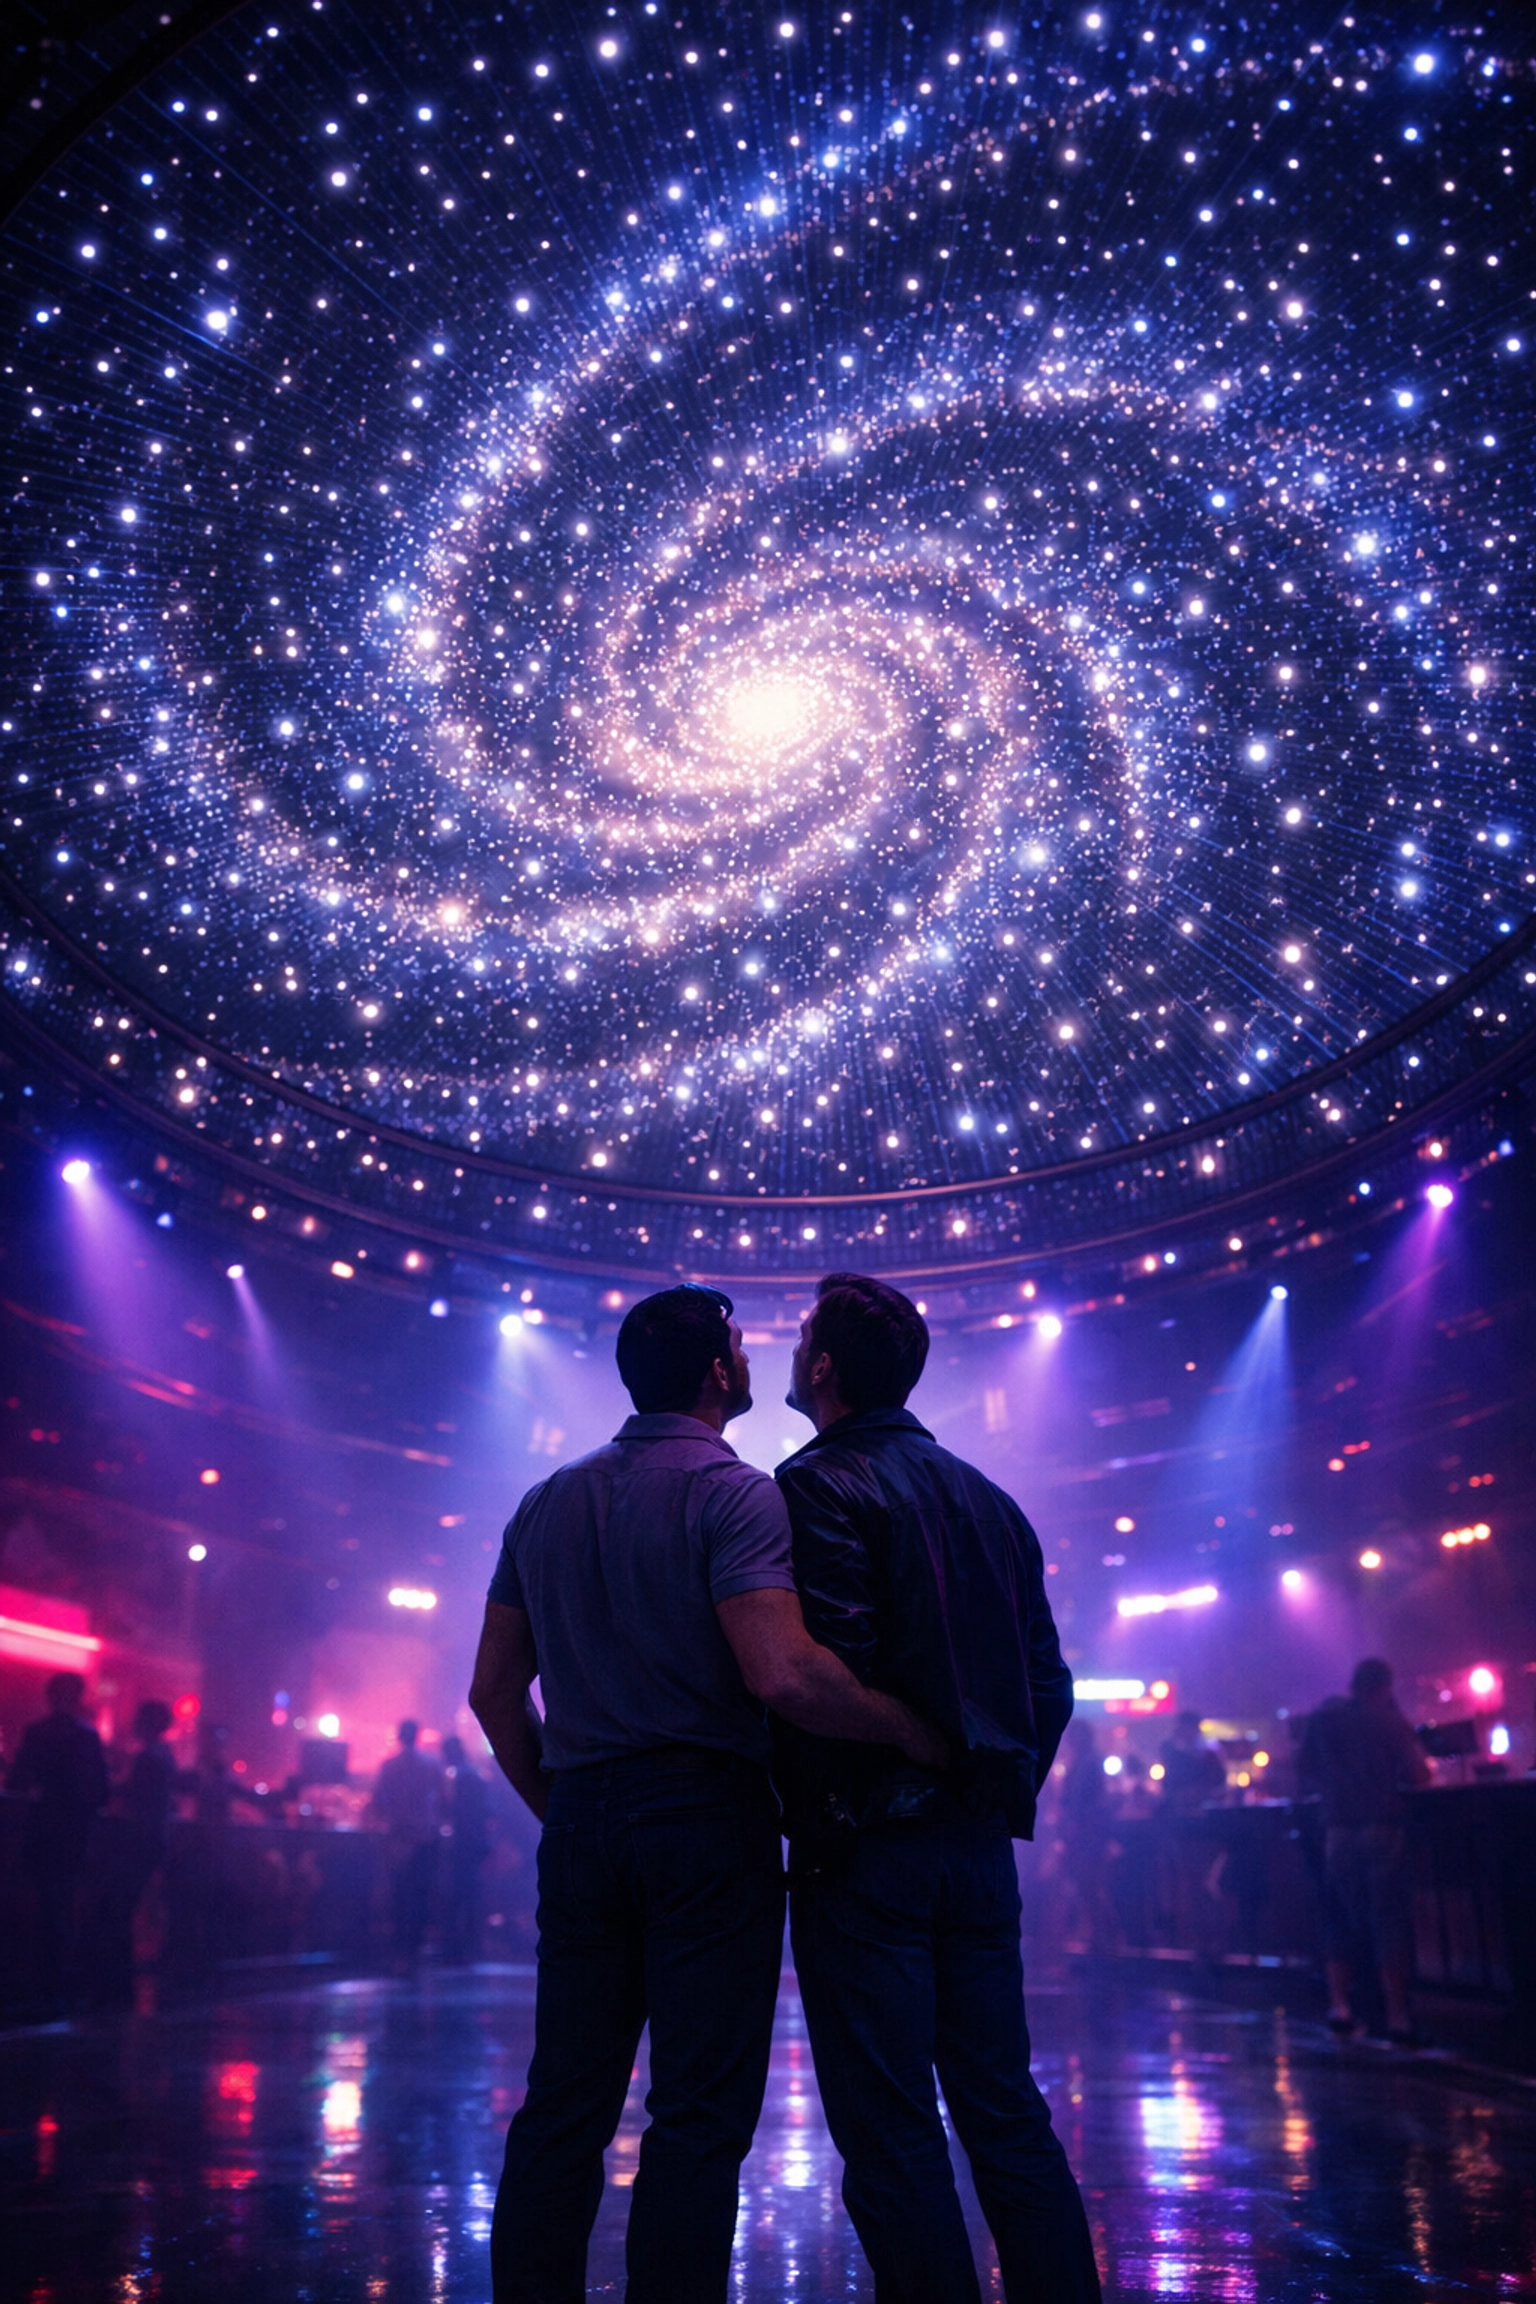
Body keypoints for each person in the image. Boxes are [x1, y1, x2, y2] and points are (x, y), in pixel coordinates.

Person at [468, 1283, 945, 2304]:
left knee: (563, 2101)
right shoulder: (737, 1495)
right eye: (736, 1345)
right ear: (721, 1374)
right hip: (705, 1816)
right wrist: (908, 1725)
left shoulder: (545, 1501)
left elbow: (493, 1691)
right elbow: (782, 1674)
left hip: (586, 1810)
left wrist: (562, 1803)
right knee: (695, 2111)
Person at [775, 1272, 1101, 2304]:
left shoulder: (816, 1485)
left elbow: (829, 1672)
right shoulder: (991, 1501)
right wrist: (992, 1779)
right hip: (976, 1850)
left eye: (799, 1341)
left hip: (867, 1851)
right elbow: (1051, 1680)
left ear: (823, 1369)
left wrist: (896, 1759)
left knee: (892, 2127)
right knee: (1005, 2109)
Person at [1299, 1656, 1432, 2041]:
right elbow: (1419, 1773)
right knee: (1388, 1917)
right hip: (1381, 1826)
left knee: (1338, 1917)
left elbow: (1303, 1765)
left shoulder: (1323, 1721)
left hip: (1336, 1830)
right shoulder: (1389, 1722)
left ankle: (1339, 2004)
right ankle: (1396, 2015)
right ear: (1385, 1687)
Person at [6, 1670, 111, 2014]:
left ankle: (40, 1979)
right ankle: (59, 1982)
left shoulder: (37, 1733)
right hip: (76, 1833)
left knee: (43, 1904)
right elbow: (102, 1790)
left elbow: (20, 1779)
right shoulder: (88, 1736)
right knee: (64, 1905)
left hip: (44, 1828)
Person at [98, 1697, 179, 2007]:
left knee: (118, 1905)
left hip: (140, 1838)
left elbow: (133, 1794)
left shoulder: (149, 1757)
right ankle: (122, 1975)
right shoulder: (163, 1754)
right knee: (130, 1904)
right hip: (154, 1836)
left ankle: (116, 1978)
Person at [371, 1719, 443, 1967]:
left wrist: (390, 1815)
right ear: (418, 1735)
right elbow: (444, 1798)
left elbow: (377, 1799)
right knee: (421, 1893)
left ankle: (399, 1946)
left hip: (399, 1837)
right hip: (425, 1836)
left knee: (400, 1893)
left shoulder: (390, 1765)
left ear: (399, 1736)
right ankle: (416, 1946)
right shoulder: (432, 1764)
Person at [441, 1733, 492, 1964]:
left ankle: (459, 1949)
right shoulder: (475, 1775)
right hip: (476, 1842)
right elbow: (487, 1811)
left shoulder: (460, 1777)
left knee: (459, 1895)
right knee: (471, 1894)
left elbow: (455, 1811)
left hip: (464, 1843)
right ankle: (471, 1947)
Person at [1157, 1711, 1228, 1814]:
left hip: (1207, 1810)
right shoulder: (1172, 1753)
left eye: (1185, 1727)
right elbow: (1168, 1783)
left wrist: (1200, 1794)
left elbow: (1219, 1784)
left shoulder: (1209, 1754)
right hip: (1180, 1811)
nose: (1181, 1731)